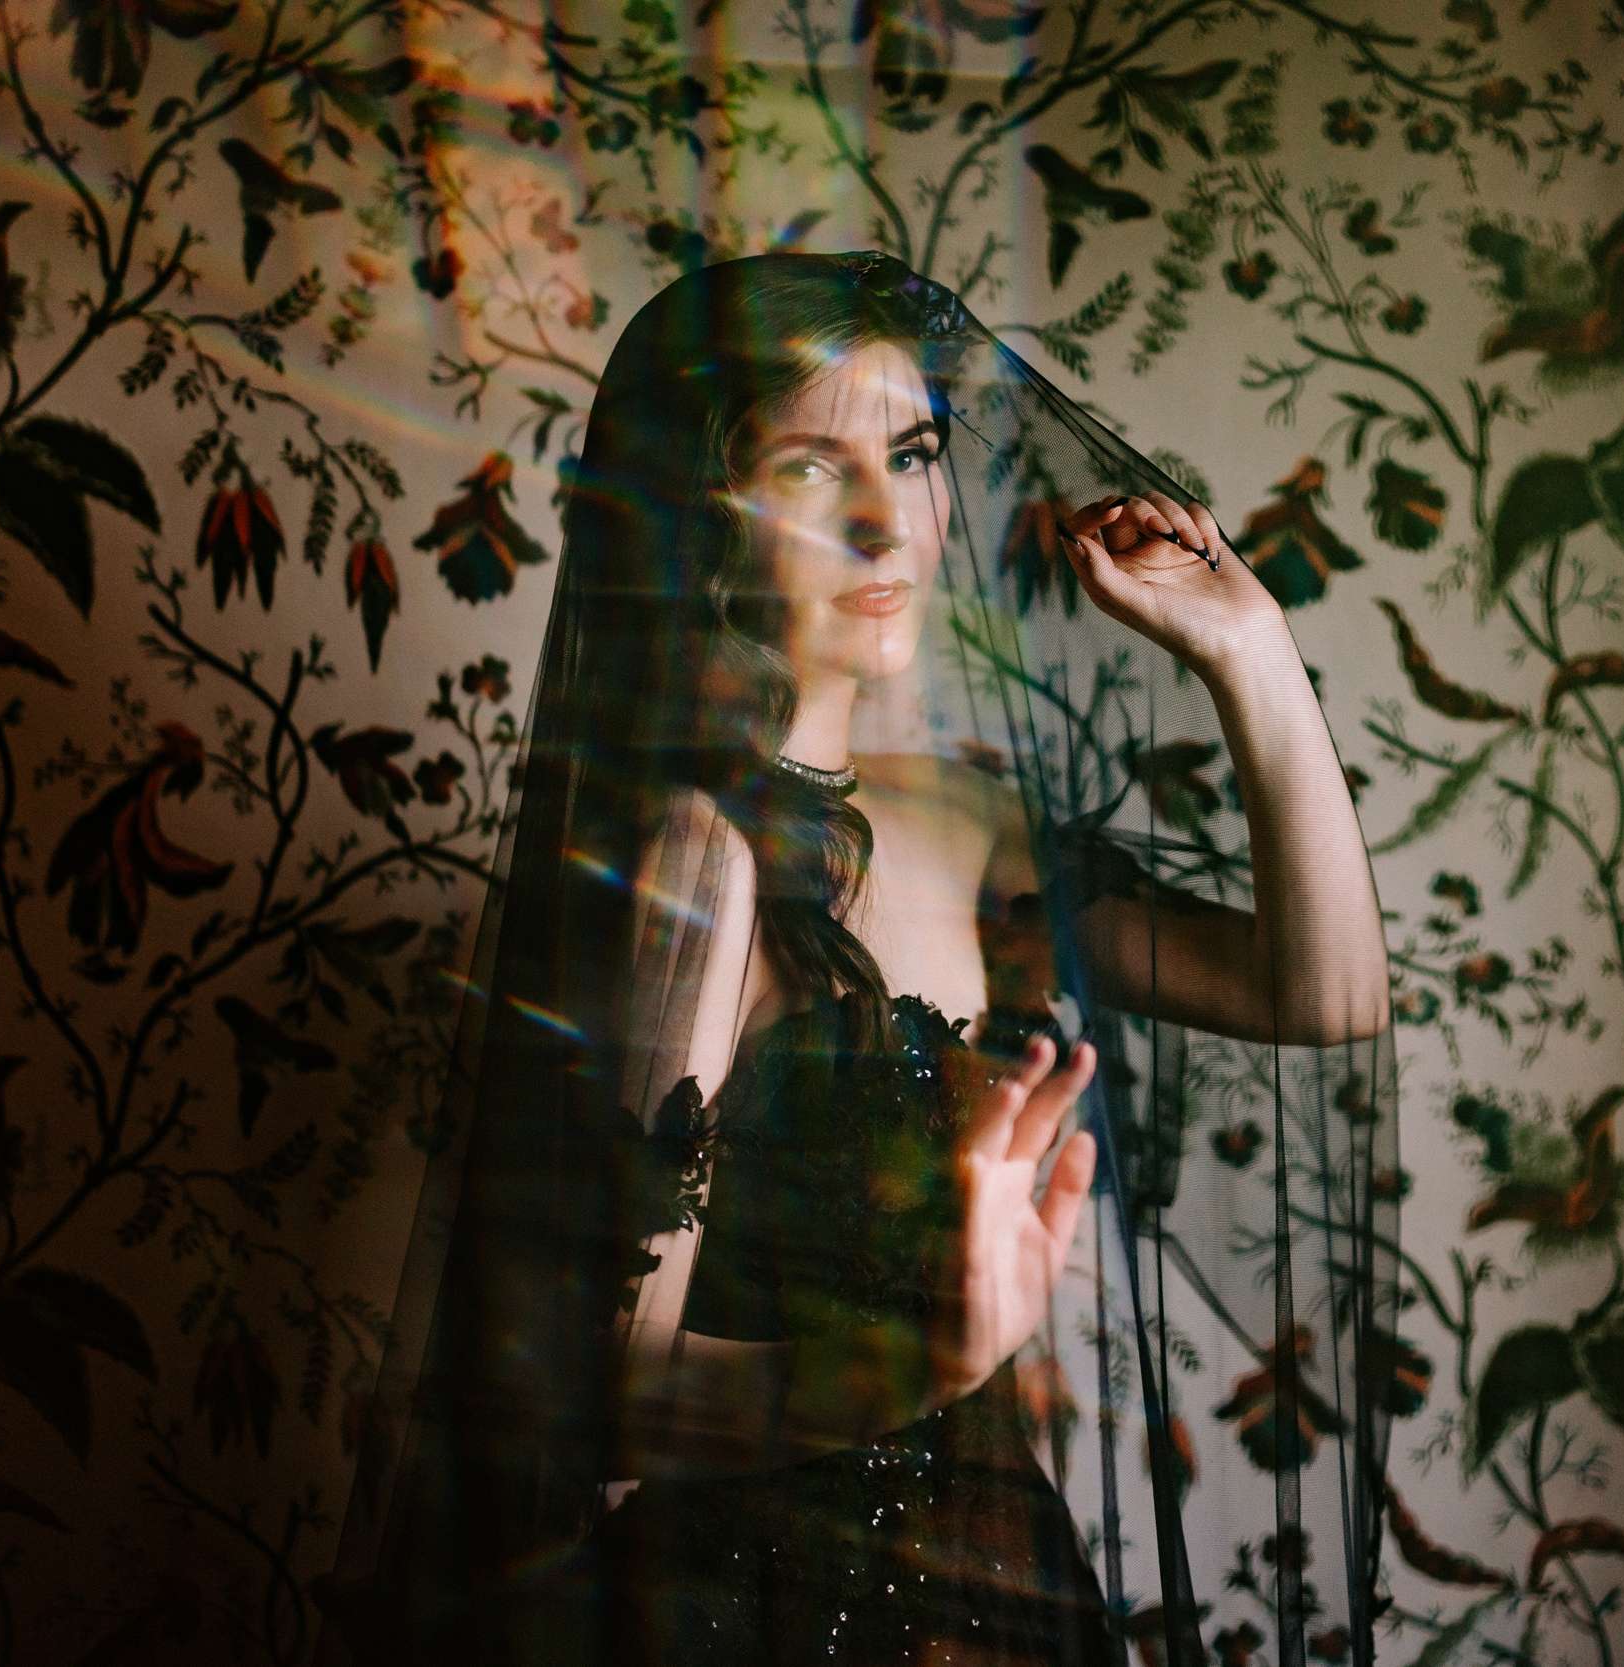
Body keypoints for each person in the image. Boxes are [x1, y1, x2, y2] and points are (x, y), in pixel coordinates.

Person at [322, 250, 1401, 1667]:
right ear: (698, 523)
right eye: (810, 470)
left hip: (1009, 1594)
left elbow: (1324, 997)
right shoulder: (696, 859)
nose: (890, 524)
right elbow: (589, 1393)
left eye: (911, 454)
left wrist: (1251, 654)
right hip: (767, 1614)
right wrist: (926, 1360)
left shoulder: (968, 823)